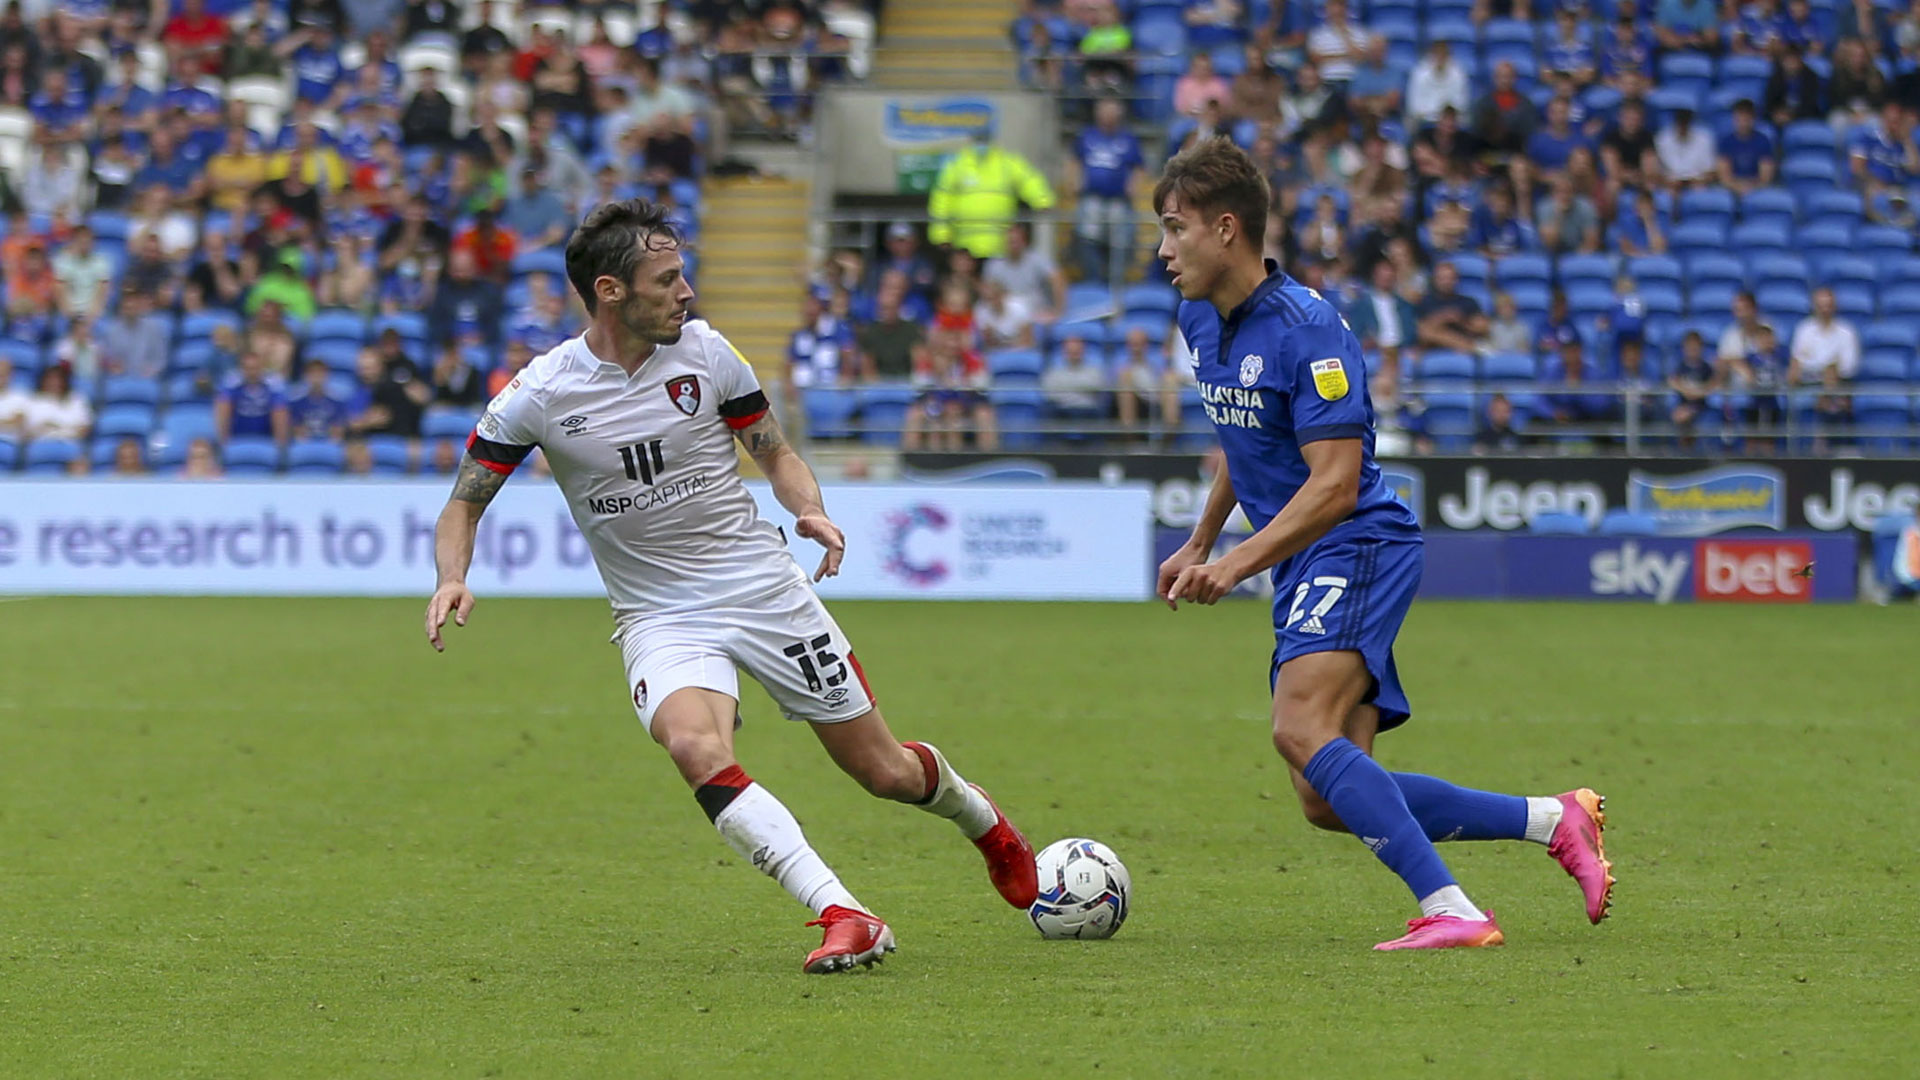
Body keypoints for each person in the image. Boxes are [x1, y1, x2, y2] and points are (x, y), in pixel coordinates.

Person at [423, 199, 1038, 974]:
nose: (687, 292)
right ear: (610, 290)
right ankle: (844, 912)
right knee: (691, 744)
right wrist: (453, 576)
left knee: (882, 772)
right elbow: (464, 501)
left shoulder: (709, 355)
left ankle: (985, 823)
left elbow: (775, 452)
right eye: (668, 278)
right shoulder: (540, 393)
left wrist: (810, 508)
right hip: (658, 613)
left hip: (763, 589)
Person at [1150, 138, 1612, 951]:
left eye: (1174, 228)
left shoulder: (1311, 329)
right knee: (1326, 795)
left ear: (1226, 229)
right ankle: (1552, 819)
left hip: (1357, 540)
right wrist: (1199, 539)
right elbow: (1244, 436)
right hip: (1308, 556)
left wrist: (1231, 566)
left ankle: (1454, 910)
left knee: (1297, 726)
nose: (1162, 251)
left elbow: (1333, 484)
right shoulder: (1199, 317)